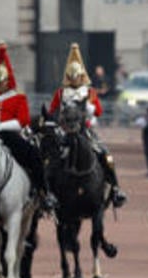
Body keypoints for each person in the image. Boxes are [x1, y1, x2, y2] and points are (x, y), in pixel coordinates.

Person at [0, 43, 56, 211]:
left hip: (9, 136)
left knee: (34, 155)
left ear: (8, 80)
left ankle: (43, 193)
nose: (0, 84)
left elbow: (22, 121)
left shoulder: (18, 98)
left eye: (3, 81)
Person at [49, 43, 126, 208]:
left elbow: (98, 111)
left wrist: (89, 108)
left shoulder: (90, 92)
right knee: (52, 160)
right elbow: (52, 111)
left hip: (86, 131)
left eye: (77, 76)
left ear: (81, 76)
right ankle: (48, 193)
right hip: (65, 132)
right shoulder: (61, 93)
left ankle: (115, 190)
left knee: (106, 155)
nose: (74, 80)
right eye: (72, 77)